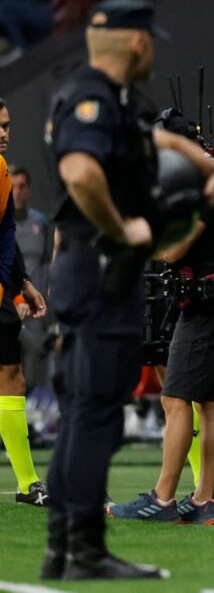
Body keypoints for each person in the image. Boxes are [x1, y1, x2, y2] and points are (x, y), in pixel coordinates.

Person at [42, 0, 214, 580]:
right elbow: (80, 172)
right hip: (101, 270)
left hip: (99, 273)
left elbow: (159, 144)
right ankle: (83, 550)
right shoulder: (90, 97)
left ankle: (67, 548)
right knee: (94, 414)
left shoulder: (119, 102)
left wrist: (213, 170)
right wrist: (118, 226)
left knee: (88, 411)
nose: (154, 47)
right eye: (151, 38)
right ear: (137, 43)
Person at [106, 144, 214, 526]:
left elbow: (173, 252)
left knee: (175, 399)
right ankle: (204, 498)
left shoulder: (209, 189)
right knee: (210, 403)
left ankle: (163, 497)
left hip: (207, 303)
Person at [0, 99, 49, 507]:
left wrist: (23, 286)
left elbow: (4, 235)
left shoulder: (2, 172)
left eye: (7, 125)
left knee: (12, 375)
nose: (3, 133)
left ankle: (26, 481)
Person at [10, 165, 55, 391]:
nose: (17, 191)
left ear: (28, 189)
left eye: (22, 186)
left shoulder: (41, 223)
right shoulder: (3, 224)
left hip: (34, 310)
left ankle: (26, 421)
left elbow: (47, 264)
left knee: (33, 369)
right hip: (7, 307)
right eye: (13, 186)